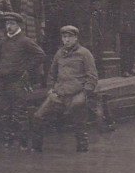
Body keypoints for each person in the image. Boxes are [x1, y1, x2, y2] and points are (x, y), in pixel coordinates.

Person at [31, 25, 99, 153]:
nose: (66, 40)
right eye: (64, 37)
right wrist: (51, 90)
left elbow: (92, 77)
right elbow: (52, 74)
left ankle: (82, 149)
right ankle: (36, 149)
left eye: (69, 37)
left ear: (76, 38)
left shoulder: (84, 53)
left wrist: (84, 93)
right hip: (59, 94)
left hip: (76, 93)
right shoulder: (59, 53)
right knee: (38, 116)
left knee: (79, 122)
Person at [0, 11, 45, 149]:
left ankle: (23, 141)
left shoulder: (25, 41)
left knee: (19, 112)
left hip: (18, 81)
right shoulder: (3, 41)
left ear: (18, 25)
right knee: (5, 111)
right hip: (4, 81)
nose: (9, 27)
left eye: (12, 23)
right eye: (7, 23)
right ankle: (8, 140)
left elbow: (40, 55)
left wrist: (25, 69)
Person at [32, 0, 63, 80]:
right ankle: (34, 77)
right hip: (33, 19)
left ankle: (48, 76)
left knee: (49, 47)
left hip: (51, 20)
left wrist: (55, 12)